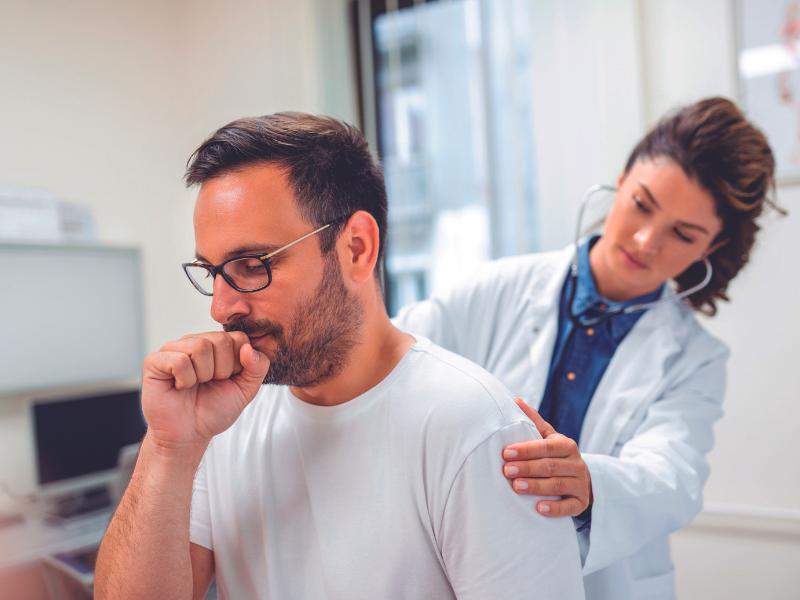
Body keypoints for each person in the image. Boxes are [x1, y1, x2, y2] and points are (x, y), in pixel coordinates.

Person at [94, 112, 585, 599]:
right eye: (212, 271)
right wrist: (168, 448)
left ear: (356, 248)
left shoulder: (473, 428)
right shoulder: (223, 418)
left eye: (251, 265)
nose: (222, 307)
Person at [394, 97, 781, 600]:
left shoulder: (695, 359)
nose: (645, 241)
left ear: (708, 248)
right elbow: (395, 358)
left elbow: (673, 475)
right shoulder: (497, 288)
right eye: (642, 204)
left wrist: (590, 482)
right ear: (621, 182)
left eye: (682, 234)